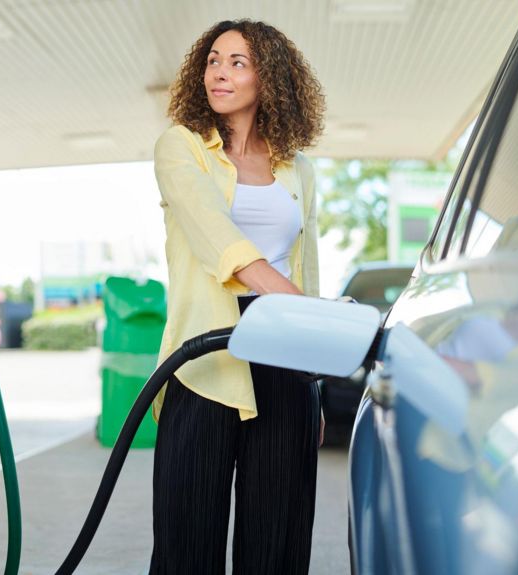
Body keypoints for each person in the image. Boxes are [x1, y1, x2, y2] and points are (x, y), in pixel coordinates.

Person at [149, 19, 325, 574]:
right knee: (187, 540)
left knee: (277, 539)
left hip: (283, 356)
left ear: (268, 77)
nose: (219, 73)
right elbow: (217, 236)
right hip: (205, 358)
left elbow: (307, 264)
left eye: (237, 62)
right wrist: (308, 311)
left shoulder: (297, 169)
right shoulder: (182, 148)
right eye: (213, 60)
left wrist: (313, 375)